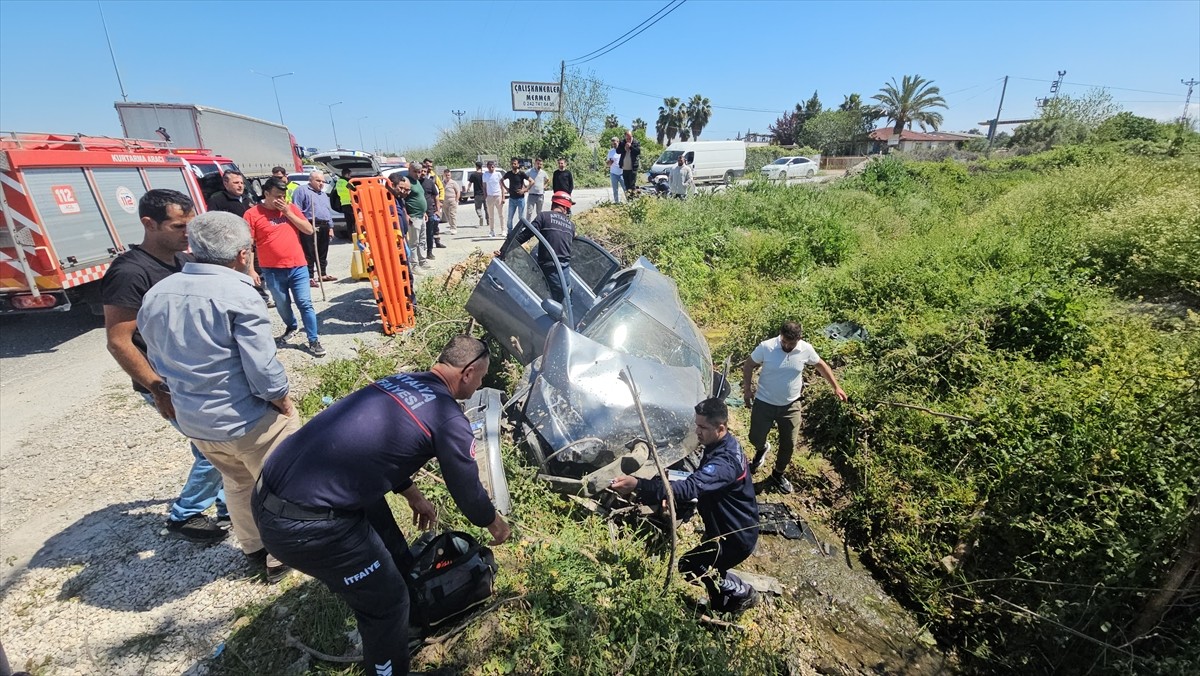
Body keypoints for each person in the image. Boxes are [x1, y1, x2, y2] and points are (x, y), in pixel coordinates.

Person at [253, 335, 512, 676]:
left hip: (268, 493)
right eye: (481, 378)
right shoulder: (447, 417)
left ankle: (411, 609)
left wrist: (412, 493)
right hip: (304, 525)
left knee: (381, 528)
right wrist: (493, 521)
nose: (480, 385)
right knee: (386, 606)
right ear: (468, 372)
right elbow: (466, 488)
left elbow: (369, 446)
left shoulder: (400, 381)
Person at [138, 211, 300, 582]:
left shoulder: (158, 293)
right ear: (243, 255)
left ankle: (253, 546)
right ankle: (281, 554)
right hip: (246, 419)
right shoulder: (237, 293)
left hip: (196, 421)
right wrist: (282, 400)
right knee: (279, 486)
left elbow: (157, 358)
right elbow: (262, 369)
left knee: (238, 482)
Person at [100, 188, 228, 544]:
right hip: (167, 383)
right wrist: (156, 387)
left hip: (195, 376)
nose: (188, 233)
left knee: (212, 445)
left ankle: (226, 504)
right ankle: (185, 514)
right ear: (149, 223)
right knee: (213, 447)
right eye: (177, 226)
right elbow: (118, 341)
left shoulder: (182, 262)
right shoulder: (130, 273)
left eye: (191, 225)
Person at [610, 398, 759, 615]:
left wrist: (639, 484)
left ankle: (743, 592)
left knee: (691, 566)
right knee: (710, 571)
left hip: (735, 536)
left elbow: (691, 489)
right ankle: (721, 608)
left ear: (721, 428)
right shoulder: (721, 444)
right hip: (722, 527)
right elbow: (701, 480)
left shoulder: (725, 463)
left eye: (703, 427)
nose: (697, 432)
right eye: (696, 425)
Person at [742, 321, 847, 494]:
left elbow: (821, 365)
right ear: (780, 336)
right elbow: (748, 365)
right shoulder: (766, 347)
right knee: (755, 437)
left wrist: (836, 386)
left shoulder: (805, 349)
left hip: (791, 405)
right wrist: (747, 389)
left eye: (791, 343)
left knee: (789, 443)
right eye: (784, 342)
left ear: (799, 339)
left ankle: (777, 474)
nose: (787, 346)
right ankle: (762, 449)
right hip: (764, 402)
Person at [245, 178, 326, 357]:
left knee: (305, 303)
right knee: (282, 304)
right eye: (277, 196)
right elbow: (249, 245)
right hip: (272, 269)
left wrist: (288, 213)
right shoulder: (252, 214)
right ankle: (291, 326)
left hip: (298, 266)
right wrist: (251, 270)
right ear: (266, 194)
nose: (281, 200)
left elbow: (308, 230)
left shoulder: (290, 209)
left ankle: (313, 340)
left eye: (283, 196)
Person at [205, 170, 273, 307]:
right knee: (241, 272)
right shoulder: (217, 200)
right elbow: (213, 222)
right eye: (236, 183)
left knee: (255, 272)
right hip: (232, 244)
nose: (240, 186)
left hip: (251, 242)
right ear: (226, 183)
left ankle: (261, 296)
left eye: (241, 182)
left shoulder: (247, 199)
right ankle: (254, 299)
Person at [497, 190, 576, 303]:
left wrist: (504, 251)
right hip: (564, 271)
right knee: (563, 300)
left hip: (549, 269)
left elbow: (524, 236)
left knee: (548, 302)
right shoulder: (571, 225)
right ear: (566, 208)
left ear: (553, 204)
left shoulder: (544, 217)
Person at [290, 170, 337, 284]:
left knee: (322, 251)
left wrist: (330, 227)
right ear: (310, 180)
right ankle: (310, 276)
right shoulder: (302, 191)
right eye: (318, 181)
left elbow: (327, 212)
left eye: (323, 181)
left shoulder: (323, 194)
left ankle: (323, 274)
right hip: (310, 225)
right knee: (309, 252)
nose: (321, 183)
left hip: (324, 225)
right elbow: (297, 210)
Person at [401, 163, 429, 268]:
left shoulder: (417, 182)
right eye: (415, 171)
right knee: (414, 242)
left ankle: (423, 261)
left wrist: (424, 212)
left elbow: (419, 197)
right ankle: (414, 264)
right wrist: (406, 214)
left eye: (419, 172)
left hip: (421, 216)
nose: (418, 174)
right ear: (409, 170)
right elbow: (402, 199)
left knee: (422, 240)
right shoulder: (406, 181)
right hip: (413, 216)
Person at [415, 163, 443, 260]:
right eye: (421, 171)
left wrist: (437, 210)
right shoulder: (415, 183)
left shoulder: (430, 182)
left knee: (429, 233)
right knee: (419, 235)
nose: (423, 173)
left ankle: (429, 252)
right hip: (418, 213)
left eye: (425, 171)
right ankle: (420, 254)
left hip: (430, 211)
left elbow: (436, 196)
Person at [501, 158, 531, 234]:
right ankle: (509, 232)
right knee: (510, 218)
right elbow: (501, 180)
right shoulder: (509, 173)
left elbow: (532, 181)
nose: (513, 165)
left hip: (520, 199)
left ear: (518, 164)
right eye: (512, 164)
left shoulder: (521, 174)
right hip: (512, 199)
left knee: (521, 218)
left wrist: (524, 190)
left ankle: (520, 232)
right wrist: (506, 189)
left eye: (515, 164)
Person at [483, 160, 504, 238]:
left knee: (501, 215)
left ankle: (503, 230)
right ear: (487, 167)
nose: (491, 168)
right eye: (489, 167)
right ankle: (492, 231)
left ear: (494, 167)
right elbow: (484, 186)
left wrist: (503, 197)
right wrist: (485, 196)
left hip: (498, 195)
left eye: (492, 167)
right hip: (490, 196)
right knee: (491, 215)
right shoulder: (485, 175)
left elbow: (502, 186)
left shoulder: (498, 174)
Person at [616, 130, 641, 195]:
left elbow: (638, 152)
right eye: (627, 138)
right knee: (627, 186)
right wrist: (624, 148)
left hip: (633, 168)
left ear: (631, 136)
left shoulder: (635, 142)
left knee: (632, 185)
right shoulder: (622, 142)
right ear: (625, 137)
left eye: (630, 138)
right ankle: (629, 201)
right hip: (625, 168)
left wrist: (630, 146)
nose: (628, 140)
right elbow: (618, 151)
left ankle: (633, 201)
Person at [335, 167, 357, 237]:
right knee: (354, 222)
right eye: (350, 175)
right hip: (350, 204)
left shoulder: (338, 182)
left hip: (344, 204)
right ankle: (355, 237)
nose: (350, 177)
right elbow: (354, 189)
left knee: (348, 222)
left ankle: (350, 237)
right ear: (347, 174)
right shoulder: (346, 182)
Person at [525, 157, 549, 222]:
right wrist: (525, 186)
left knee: (539, 213)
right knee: (529, 212)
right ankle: (527, 227)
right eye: (538, 164)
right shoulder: (530, 171)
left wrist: (544, 186)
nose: (539, 165)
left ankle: (538, 226)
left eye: (541, 164)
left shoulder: (543, 172)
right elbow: (522, 177)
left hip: (540, 195)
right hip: (532, 195)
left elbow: (548, 180)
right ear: (535, 163)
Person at [468, 161, 487, 229]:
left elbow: (470, 183)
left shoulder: (473, 175)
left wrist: (468, 188)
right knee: (486, 208)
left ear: (476, 167)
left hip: (477, 194)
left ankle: (480, 216)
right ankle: (488, 222)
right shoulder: (484, 175)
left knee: (478, 208)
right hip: (485, 194)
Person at [441, 168, 460, 235]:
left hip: (452, 200)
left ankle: (454, 228)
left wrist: (456, 200)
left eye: (448, 175)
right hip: (445, 201)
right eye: (446, 175)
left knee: (452, 214)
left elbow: (458, 192)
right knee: (447, 215)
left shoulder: (453, 183)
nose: (447, 176)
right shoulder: (442, 183)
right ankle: (451, 226)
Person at [606, 136, 622, 203]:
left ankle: (629, 202)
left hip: (622, 172)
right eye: (612, 144)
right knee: (615, 190)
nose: (613, 145)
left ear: (618, 142)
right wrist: (609, 163)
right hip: (613, 173)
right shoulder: (611, 152)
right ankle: (616, 203)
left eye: (615, 143)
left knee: (625, 188)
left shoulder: (622, 150)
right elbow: (608, 164)